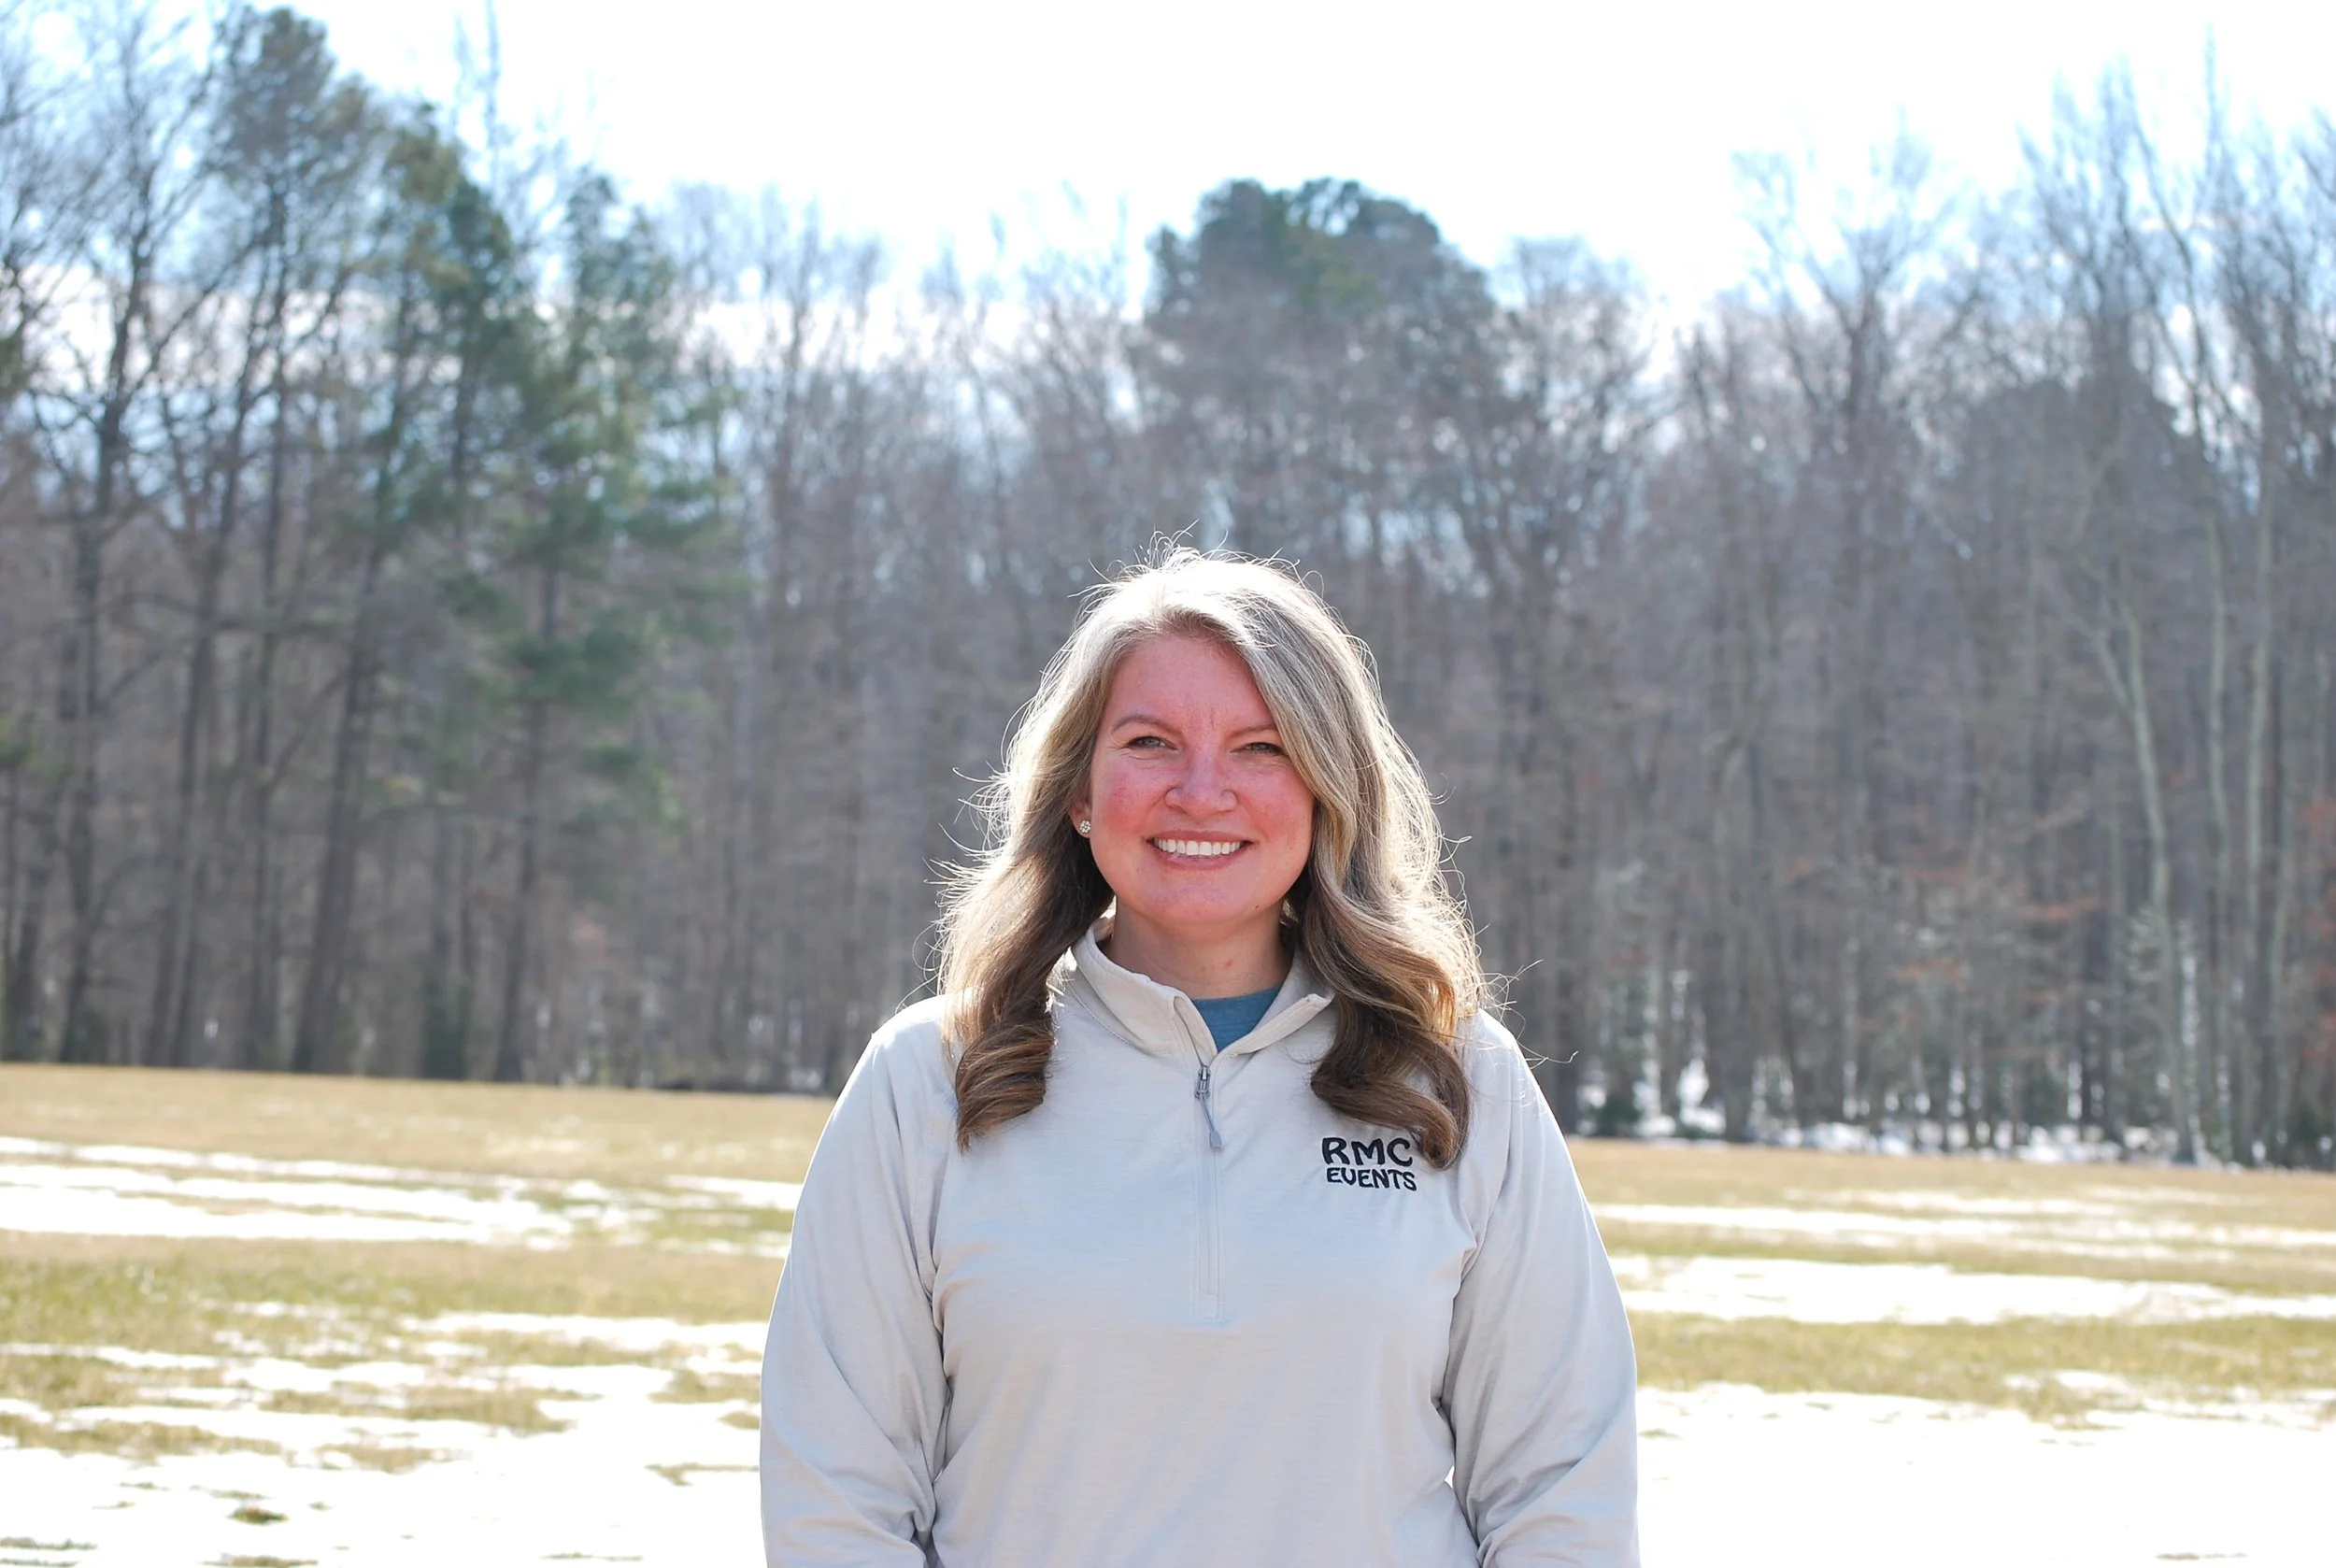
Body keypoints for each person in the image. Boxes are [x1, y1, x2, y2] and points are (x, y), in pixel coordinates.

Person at [760, 549, 1639, 1566]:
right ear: (1080, 791)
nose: (1201, 791)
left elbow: (1561, 1485)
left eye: (1261, 748)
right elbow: (838, 1499)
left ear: (1328, 789)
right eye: (1150, 742)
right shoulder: (926, 1080)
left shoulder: (1456, 1079)